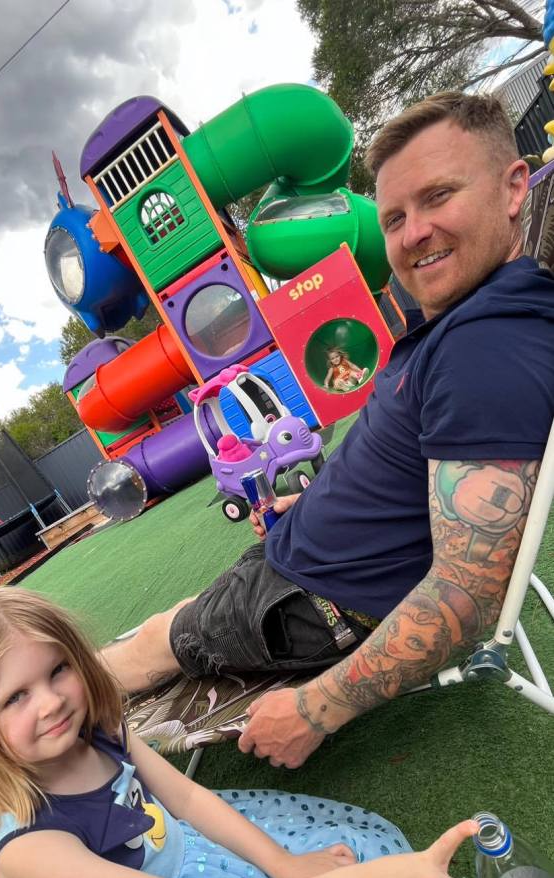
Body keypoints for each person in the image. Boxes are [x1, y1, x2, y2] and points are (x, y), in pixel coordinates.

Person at [102, 91, 554, 770]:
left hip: (312, 603)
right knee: (188, 616)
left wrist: (317, 708)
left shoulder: (485, 351)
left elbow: (468, 590)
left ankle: (12, 734)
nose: (411, 234)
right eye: (395, 215)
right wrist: (307, 506)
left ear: (514, 187)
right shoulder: (473, 320)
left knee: (150, 644)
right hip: (307, 560)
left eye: (439, 197)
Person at [0, 587, 477, 878]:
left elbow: (186, 800)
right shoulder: (31, 850)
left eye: (58, 670)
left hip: (186, 860)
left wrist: (282, 865)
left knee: (325, 873)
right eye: (16, 697)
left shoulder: (99, 729)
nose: (51, 703)